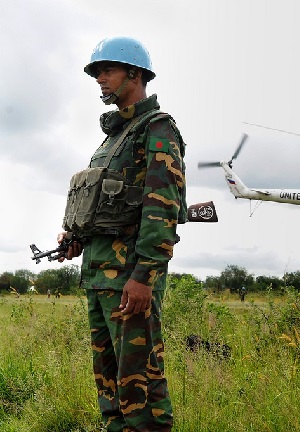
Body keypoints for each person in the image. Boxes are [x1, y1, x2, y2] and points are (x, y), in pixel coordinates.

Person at [57, 36, 187, 431]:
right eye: (97, 72)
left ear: (135, 73)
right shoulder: (111, 139)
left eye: (107, 70)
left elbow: (161, 209)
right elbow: (108, 206)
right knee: (110, 386)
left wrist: (144, 275)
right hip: (99, 277)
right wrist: (77, 236)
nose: (100, 79)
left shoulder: (157, 128)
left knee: (141, 385)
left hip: (130, 280)